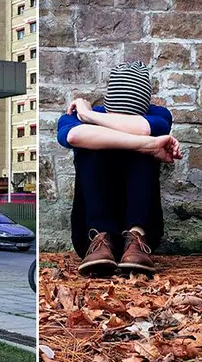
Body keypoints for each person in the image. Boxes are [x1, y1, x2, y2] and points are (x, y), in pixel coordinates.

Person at [57, 61, 182, 276]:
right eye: (118, 114)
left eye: (130, 117)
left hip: (141, 232)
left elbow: (145, 129)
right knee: (94, 147)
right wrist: (150, 146)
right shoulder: (72, 118)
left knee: (143, 147)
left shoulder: (159, 115)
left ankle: (136, 237)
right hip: (89, 231)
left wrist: (89, 117)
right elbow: (74, 136)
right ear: (109, 105)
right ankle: (101, 238)